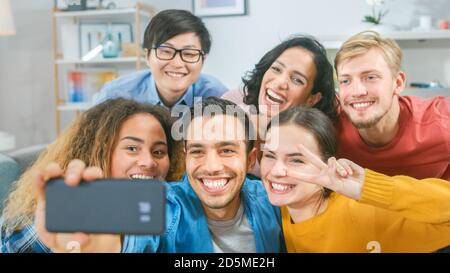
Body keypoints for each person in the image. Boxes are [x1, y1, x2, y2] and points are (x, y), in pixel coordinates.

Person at [4, 97, 284, 253]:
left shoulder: (271, 199)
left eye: (226, 151)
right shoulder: (163, 204)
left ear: (250, 160)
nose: (211, 166)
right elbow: (123, 241)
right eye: (198, 151)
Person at [0, 98, 184, 252]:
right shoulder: (52, 215)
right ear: (99, 152)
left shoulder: (168, 208)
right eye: (132, 148)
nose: (149, 162)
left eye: (159, 152)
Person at [260, 106, 450, 252]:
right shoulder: (281, 207)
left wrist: (367, 186)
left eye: (296, 160)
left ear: (327, 162)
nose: (277, 171)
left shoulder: (362, 214)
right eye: (269, 155)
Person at [334, 30, 450, 180]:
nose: (357, 92)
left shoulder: (441, 122)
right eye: (345, 81)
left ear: (398, 82)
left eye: (370, 77)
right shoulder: (328, 126)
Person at [221, 35, 338, 177]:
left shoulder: (314, 138)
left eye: (297, 80)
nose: (280, 83)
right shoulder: (231, 103)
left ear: (312, 99)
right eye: (276, 69)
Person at [95, 9, 227, 109]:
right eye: (166, 51)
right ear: (147, 56)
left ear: (203, 60)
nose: (177, 63)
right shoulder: (116, 95)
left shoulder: (216, 94)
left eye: (189, 54)